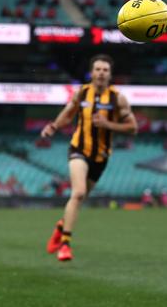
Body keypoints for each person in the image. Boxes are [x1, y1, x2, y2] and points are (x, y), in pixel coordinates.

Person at [41, 54, 137, 261]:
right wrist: (54, 127)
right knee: (78, 193)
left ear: (110, 75)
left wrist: (108, 125)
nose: (101, 73)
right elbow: (68, 113)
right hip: (79, 149)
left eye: (105, 70)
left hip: (101, 156)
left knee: (80, 198)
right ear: (92, 72)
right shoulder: (82, 93)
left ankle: (61, 226)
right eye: (98, 69)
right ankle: (65, 244)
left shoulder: (117, 98)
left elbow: (133, 128)